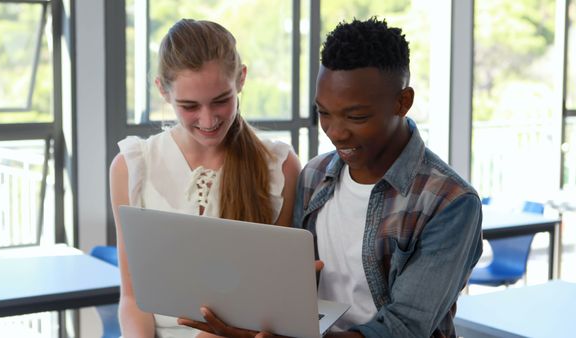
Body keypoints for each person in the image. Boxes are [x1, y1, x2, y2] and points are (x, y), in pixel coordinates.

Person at [179, 17, 483, 338]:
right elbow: (292, 289)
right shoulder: (314, 175)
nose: (336, 133)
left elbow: (403, 327)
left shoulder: (450, 203)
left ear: (402, 102)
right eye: (324, 113)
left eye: (357, 116)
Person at [110, 18, 301, 338]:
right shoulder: (131, 167)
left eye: (221, 101)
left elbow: (268, 301)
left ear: (241, 79)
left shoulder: (279, 167)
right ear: (162, 91)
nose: (208, 120)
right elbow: (132, 297)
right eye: (189, 106)